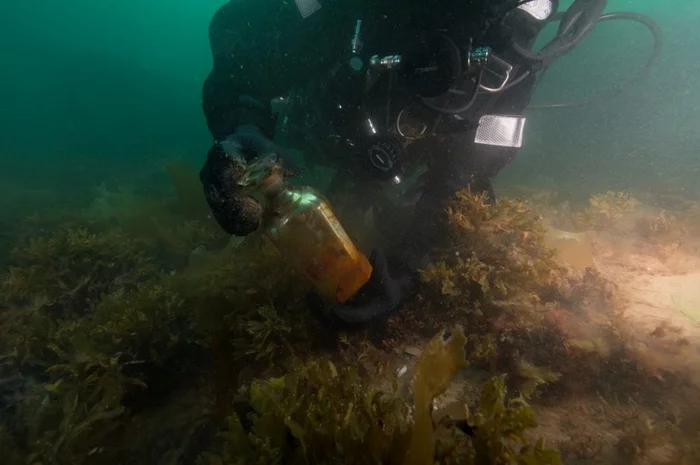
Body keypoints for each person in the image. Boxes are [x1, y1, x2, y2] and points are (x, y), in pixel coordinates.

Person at [198, 0, 621, 326]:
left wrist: (415, 259)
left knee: (466, 167)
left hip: (424, 138)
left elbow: (496, 135)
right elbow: (241, 65)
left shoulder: (515, 23)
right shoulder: (344, 12)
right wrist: (240, 130)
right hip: (331, 123)